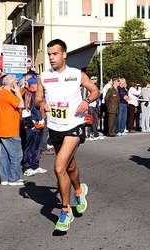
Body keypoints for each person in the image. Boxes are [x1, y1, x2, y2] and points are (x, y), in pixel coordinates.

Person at [35, 39, 100, 231]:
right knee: (69, 166)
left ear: (64, 54)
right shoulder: (44, 77)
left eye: (55, 54)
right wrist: (42, 104)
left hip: (74, 125)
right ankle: (79, 191)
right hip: (55, 126)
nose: (51, 58)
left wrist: (86, 101)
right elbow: (38, 97)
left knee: (59, 166)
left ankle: (65, 211)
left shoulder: (76, 74)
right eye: (49, 54)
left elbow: (95, 91)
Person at [0, 74, 25, 186]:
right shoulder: (7, 94)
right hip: (10, 129)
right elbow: (21, 104)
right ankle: (13, 178)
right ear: (12, 83)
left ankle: (4, 178)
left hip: (3, 129)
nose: (17, 84)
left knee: (4, 156)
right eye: (16, 82)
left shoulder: (2, 93)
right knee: (16, 155)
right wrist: (17, 91)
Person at [22, 76, 47, 177]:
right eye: (38, 85)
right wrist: (31, 125)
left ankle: (35, 166)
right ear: (33, 85)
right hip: (32, 125)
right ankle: (27, 167)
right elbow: (25, 111)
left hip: (39, 125)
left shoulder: (36, 95)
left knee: (37, 147)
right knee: (30, 147)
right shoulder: (28, 95)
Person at [83, 75, 102, 141]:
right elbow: (84, 97)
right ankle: (86, 135)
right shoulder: (86, 87)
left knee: (95, 120)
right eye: (93, 79)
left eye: (96, 79)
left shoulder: (95, 87)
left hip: (95, 105)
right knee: (88, 120)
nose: (94, 80)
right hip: (89, 105)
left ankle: (95, 134)